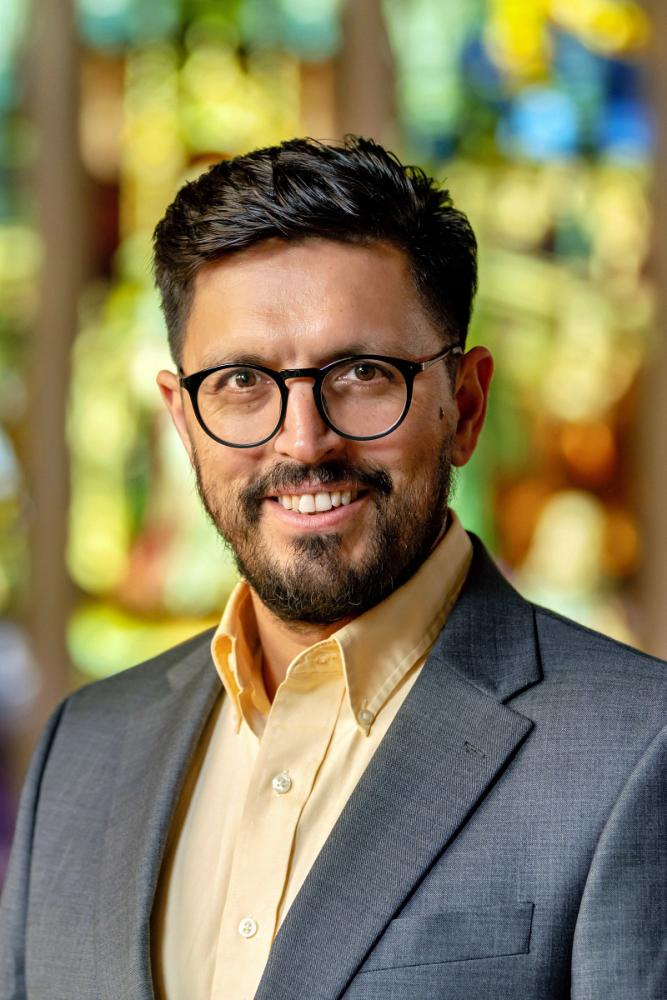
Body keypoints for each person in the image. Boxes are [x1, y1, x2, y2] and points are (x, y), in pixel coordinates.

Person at [1, 136, 666, 1000]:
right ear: (181, 420)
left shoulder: (637, 750)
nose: (304, 441)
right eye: (241, 380)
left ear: (463, 407)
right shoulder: (81, 753)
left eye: (360, 373)